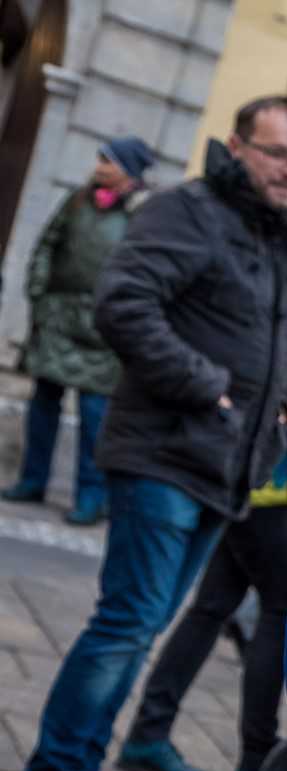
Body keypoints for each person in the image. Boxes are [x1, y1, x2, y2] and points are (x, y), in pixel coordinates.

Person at [11, 95, 287, 771]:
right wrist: (203, 383)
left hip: (224, 465)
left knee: (139, 629)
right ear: (239, 147)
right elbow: (124, 303)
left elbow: (271, 351)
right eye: (279, 153)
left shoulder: (274, 234)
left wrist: (273, 412)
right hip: (165, 453)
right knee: (124, 623)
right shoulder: (192, 211)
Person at [116, 149, 287, 771]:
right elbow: (278, 363)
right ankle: (255, 758)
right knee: (280, 610)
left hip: (274, 460)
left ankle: (150, 728)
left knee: (213, 604)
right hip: (267, 464)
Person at [2, 138, 156, 525]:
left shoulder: (141, 214)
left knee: (94, 418)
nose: (100, 165)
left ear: (129, 170)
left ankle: (91, 496)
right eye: (101, 158)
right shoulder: (77, 201)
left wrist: (118, 317)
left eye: (109, 160)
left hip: (102, 333)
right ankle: (32, 480)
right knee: (43, 404)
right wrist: (39, 294)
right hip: (58, 319)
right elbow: (47, 246)